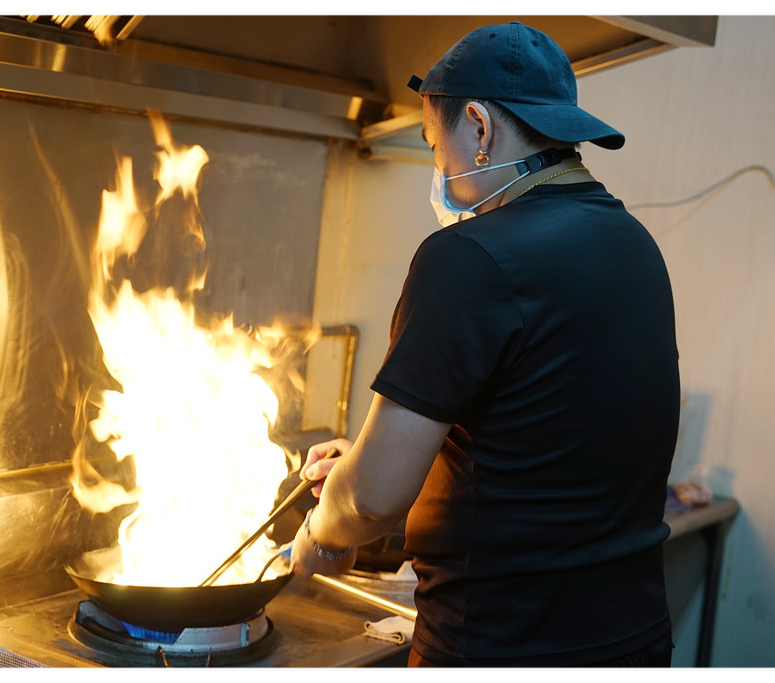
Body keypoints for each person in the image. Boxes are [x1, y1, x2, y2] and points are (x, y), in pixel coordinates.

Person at [290, 22, 680, 667]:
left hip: (504, 645)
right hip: (628, 640)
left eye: (431, 143)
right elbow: (539, 427)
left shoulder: (467, 257)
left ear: (477, 126)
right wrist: (368, 456)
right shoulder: (632, 244)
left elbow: (371, 500)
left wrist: (322, 535)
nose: (437, 168)